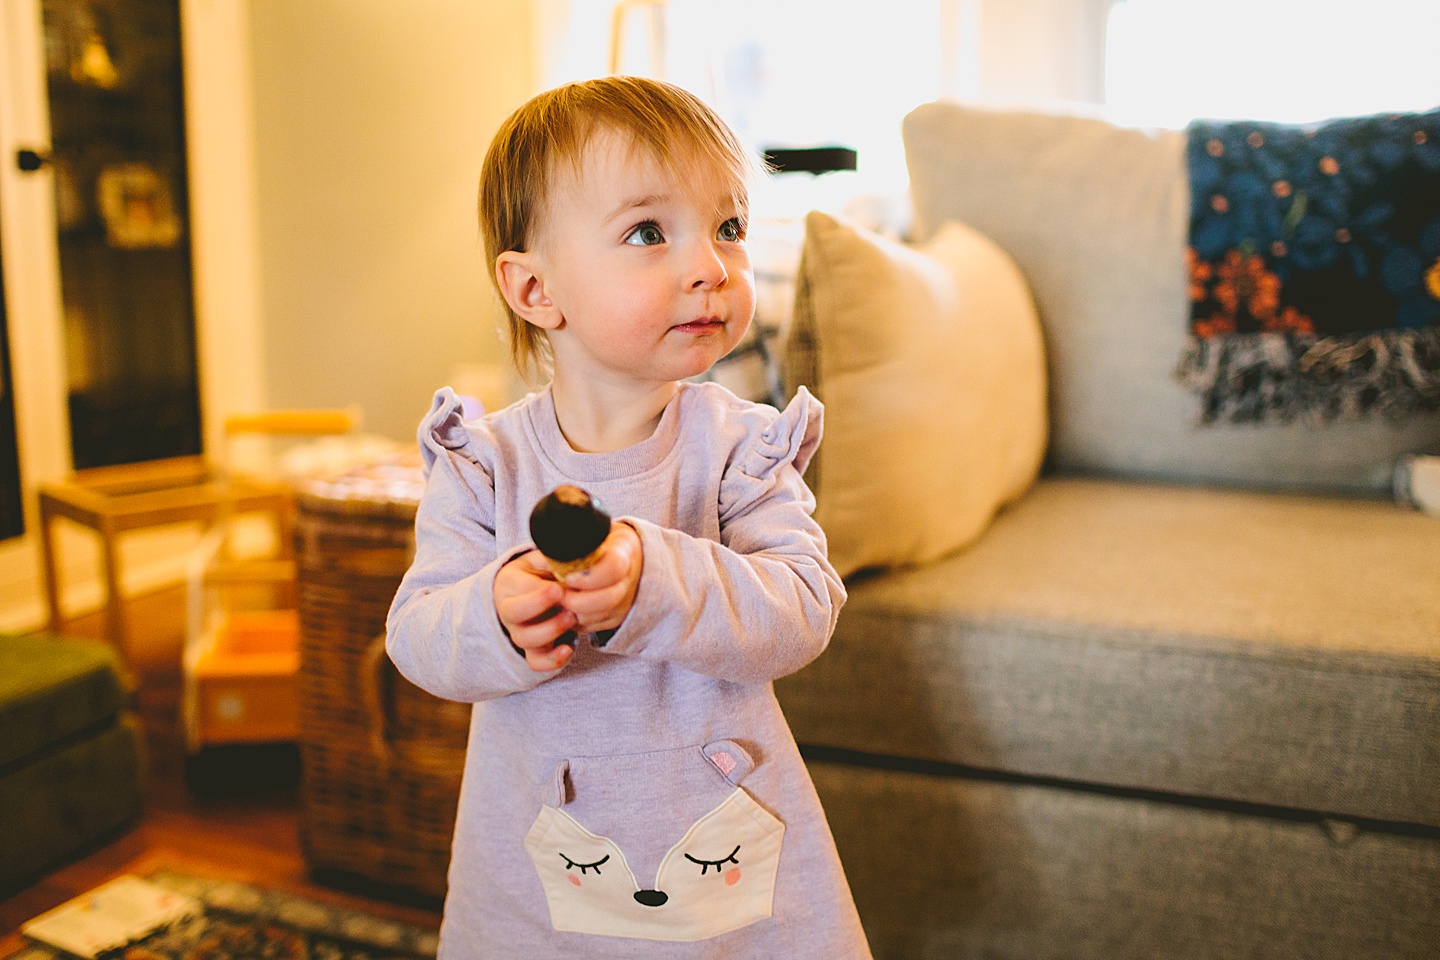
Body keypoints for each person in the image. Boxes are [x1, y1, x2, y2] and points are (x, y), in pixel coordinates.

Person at [385, 75, 871, 959]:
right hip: (546, 857)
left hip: (719, 844)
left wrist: (654, 578)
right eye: (650, 232)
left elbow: (802, 610)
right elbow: (417, 637)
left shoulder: (740, 450)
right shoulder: (483, 466)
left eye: (728, 227)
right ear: (535, 290)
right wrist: (494, 613)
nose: (712, 265)